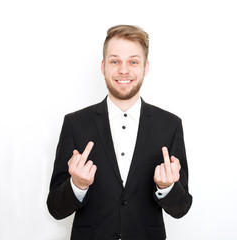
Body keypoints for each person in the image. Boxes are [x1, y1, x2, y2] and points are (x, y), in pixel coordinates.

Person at [47, 25, 192, 240]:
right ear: (104, 66)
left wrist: (167, 186)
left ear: (146, 67)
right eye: (115, 61)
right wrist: (77, 185)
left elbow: (181, 209)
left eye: (133, 61)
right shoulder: (74, 124)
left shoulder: (169, 125)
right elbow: (55, 209)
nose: (123, 70)